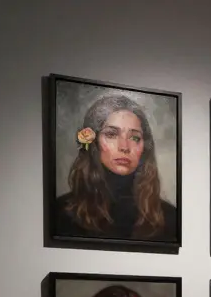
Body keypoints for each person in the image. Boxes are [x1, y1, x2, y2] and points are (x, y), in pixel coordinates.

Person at [54, 94, 177, 242]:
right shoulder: (62, 212)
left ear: (144, 147)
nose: (124, 147)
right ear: (94, 142)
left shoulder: (168, 217)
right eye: (111, 134)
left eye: (134, 137)